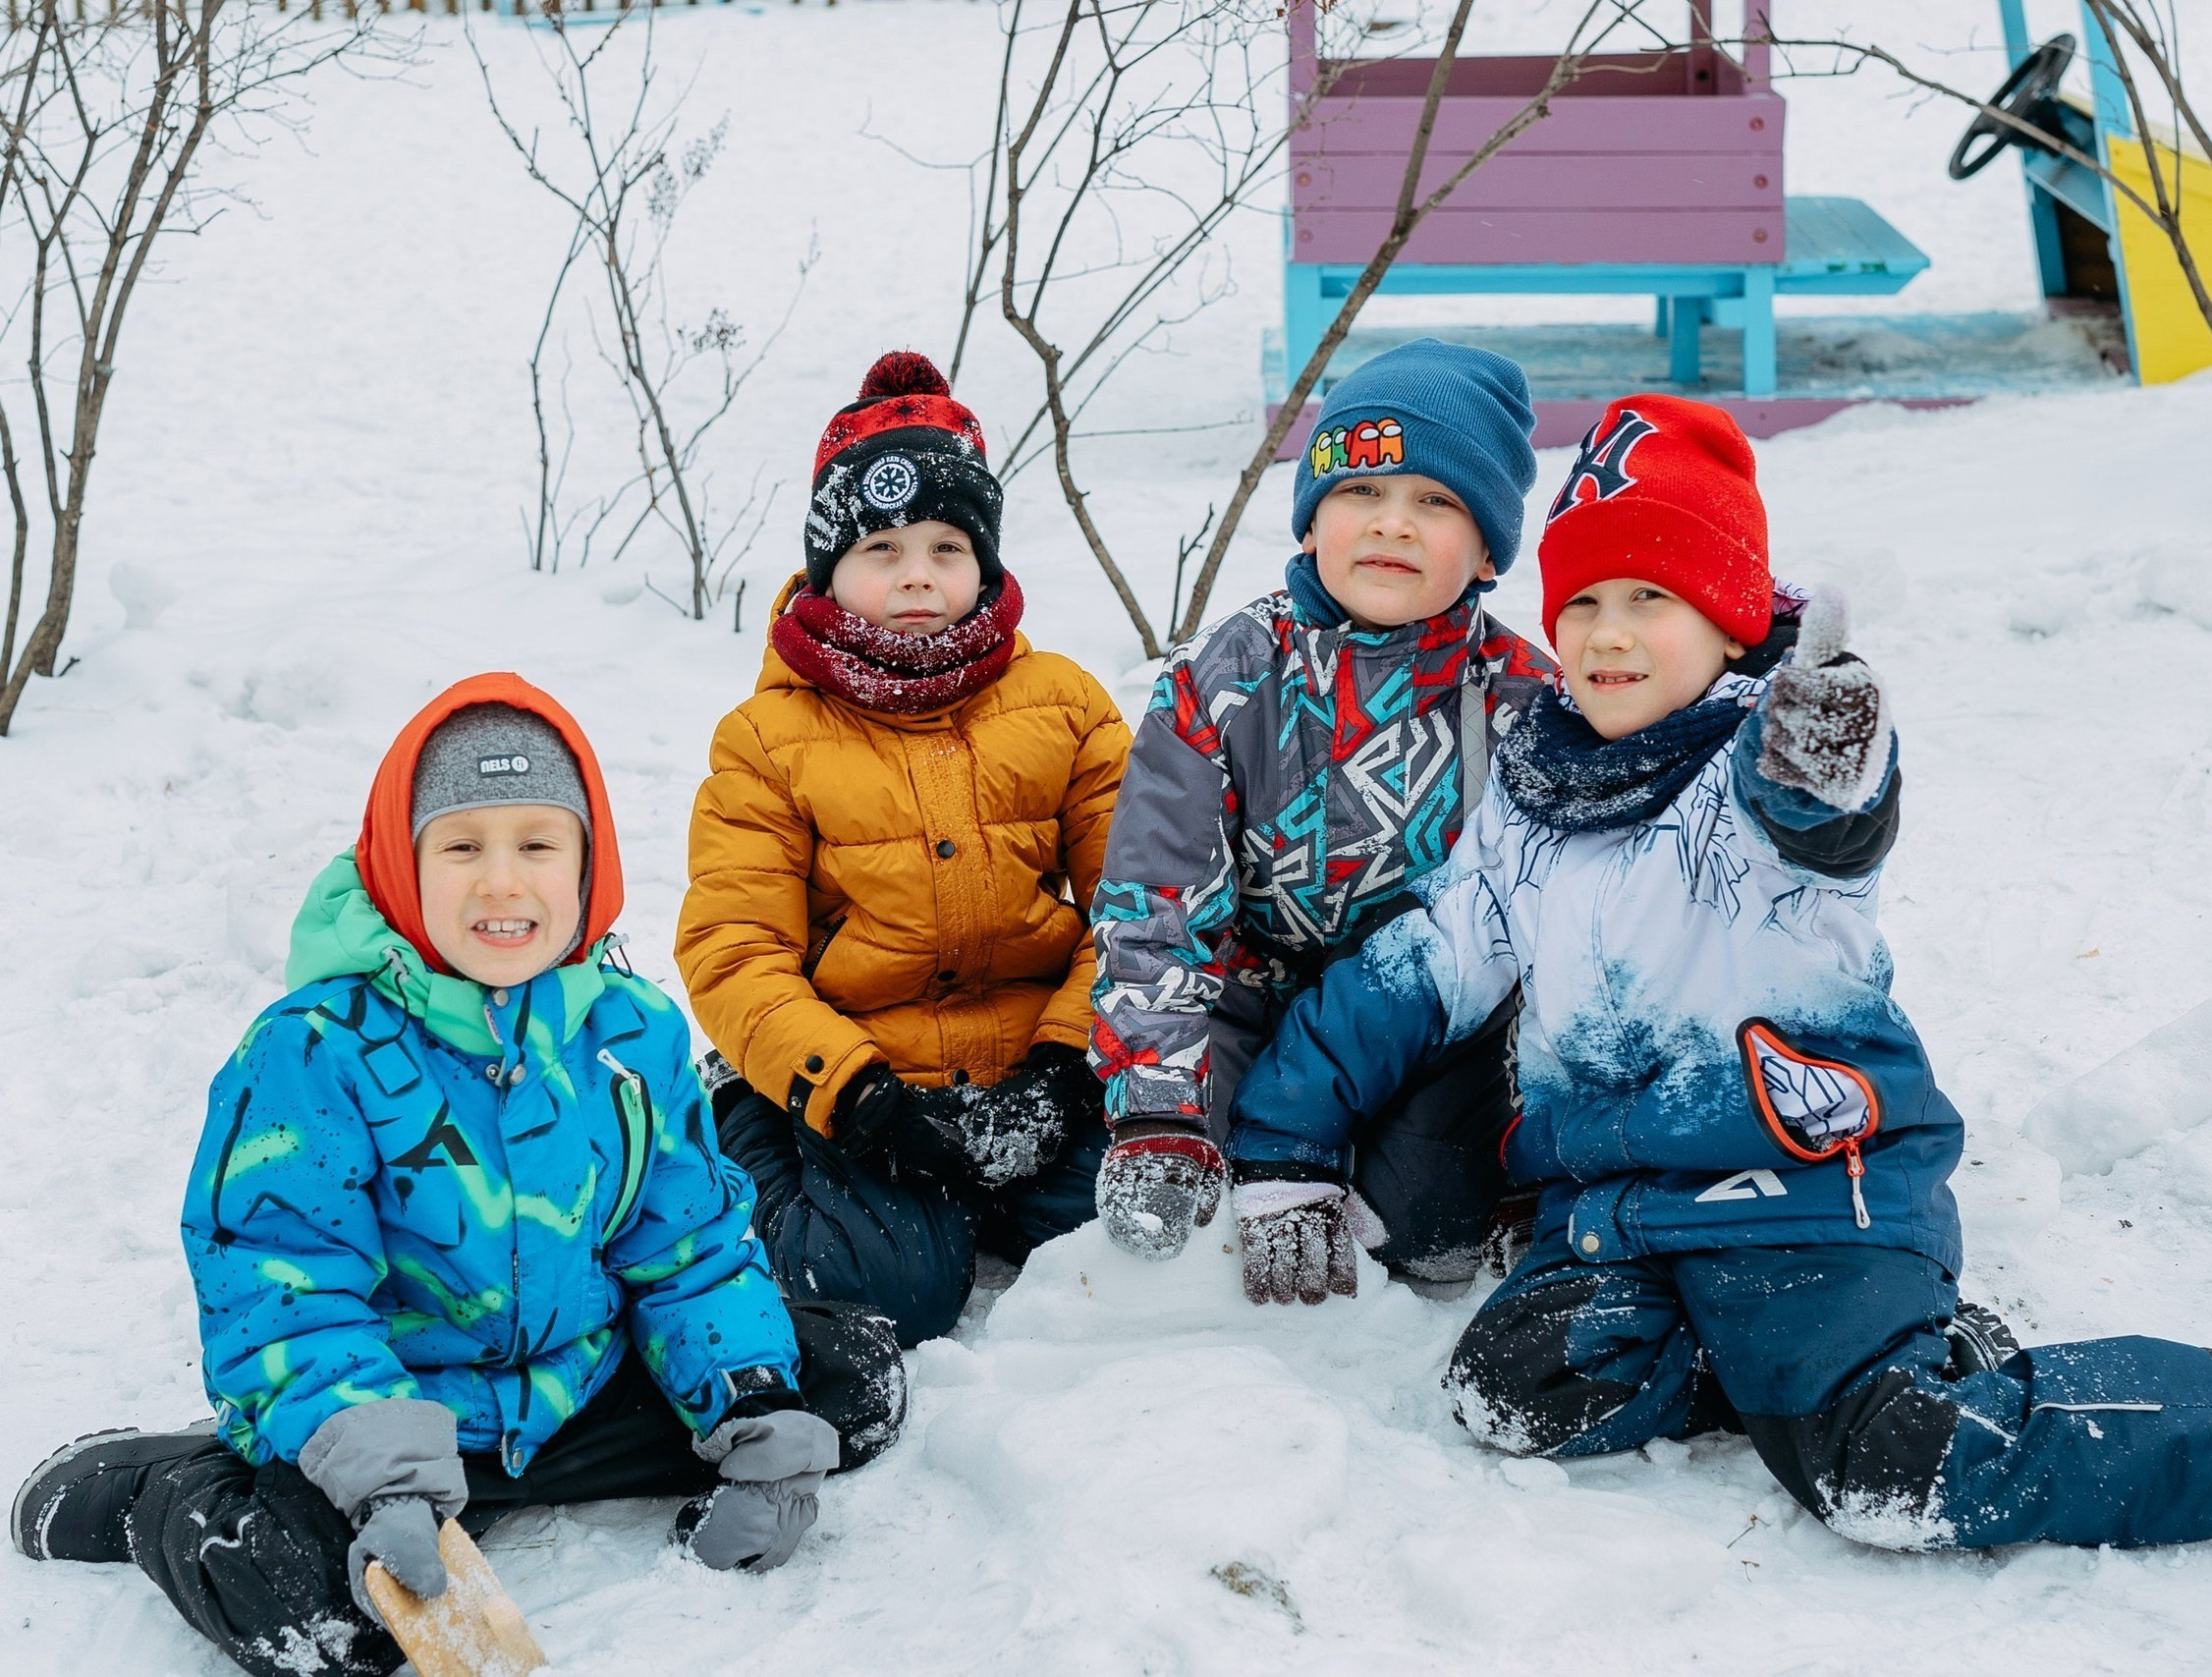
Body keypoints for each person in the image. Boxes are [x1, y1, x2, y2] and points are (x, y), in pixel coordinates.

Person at [1222, 396, 2212, 1606]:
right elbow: (1417, 968)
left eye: (1651, 599)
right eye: (1582, 601)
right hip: (1618, 1204)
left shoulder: (1768, 763)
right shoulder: (1533, 793)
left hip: (1804, 1182)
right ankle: (1855, 1357)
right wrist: (1284, 1142)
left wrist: (1832, 761)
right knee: (1514, 1389)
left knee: (1883, 1465)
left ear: (1730, 626)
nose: (1606, 633)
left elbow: (1830, 817)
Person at [12, 676, 907, 1677]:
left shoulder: (629, 1031)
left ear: (585, 862)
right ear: (405, 864)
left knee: (847, 1381)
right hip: (391, 1408)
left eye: (536, 845)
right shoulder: (313, 1051)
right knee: (310, 1616)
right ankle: (157, 1491)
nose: (502, 884)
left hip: (576, 1385)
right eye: (462, 846)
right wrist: (385, 1477)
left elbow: (688, 1246)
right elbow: (284, 1288)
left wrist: (749, 1407)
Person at [1087, 338, 1557, 1296]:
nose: (1393, 525)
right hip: (1251, 995)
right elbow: (1158, 893)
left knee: (1424, 1231)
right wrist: (1161, 1102)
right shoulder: (1226, 675)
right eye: (1359, 494)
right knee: (1162, 1205)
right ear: (1309, 523)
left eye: (1436, 502)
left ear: (1486, 552)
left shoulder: (1521, 702)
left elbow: (1555, 914)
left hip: (1432, 1016)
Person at [680, 351, 1130, 1347]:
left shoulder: (1066, 705)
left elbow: (1138, 907)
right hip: (868, 1076)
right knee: (890, 1293)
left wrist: (1066, 1062)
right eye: (881, 548)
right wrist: (855, 1093)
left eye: (945, 545)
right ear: (829, 568)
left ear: (986, 562)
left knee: (1118, 1241)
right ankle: (746, 1126)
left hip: (1034, 1064)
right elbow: (733, 950)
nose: (917, 573)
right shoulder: (766, 739)